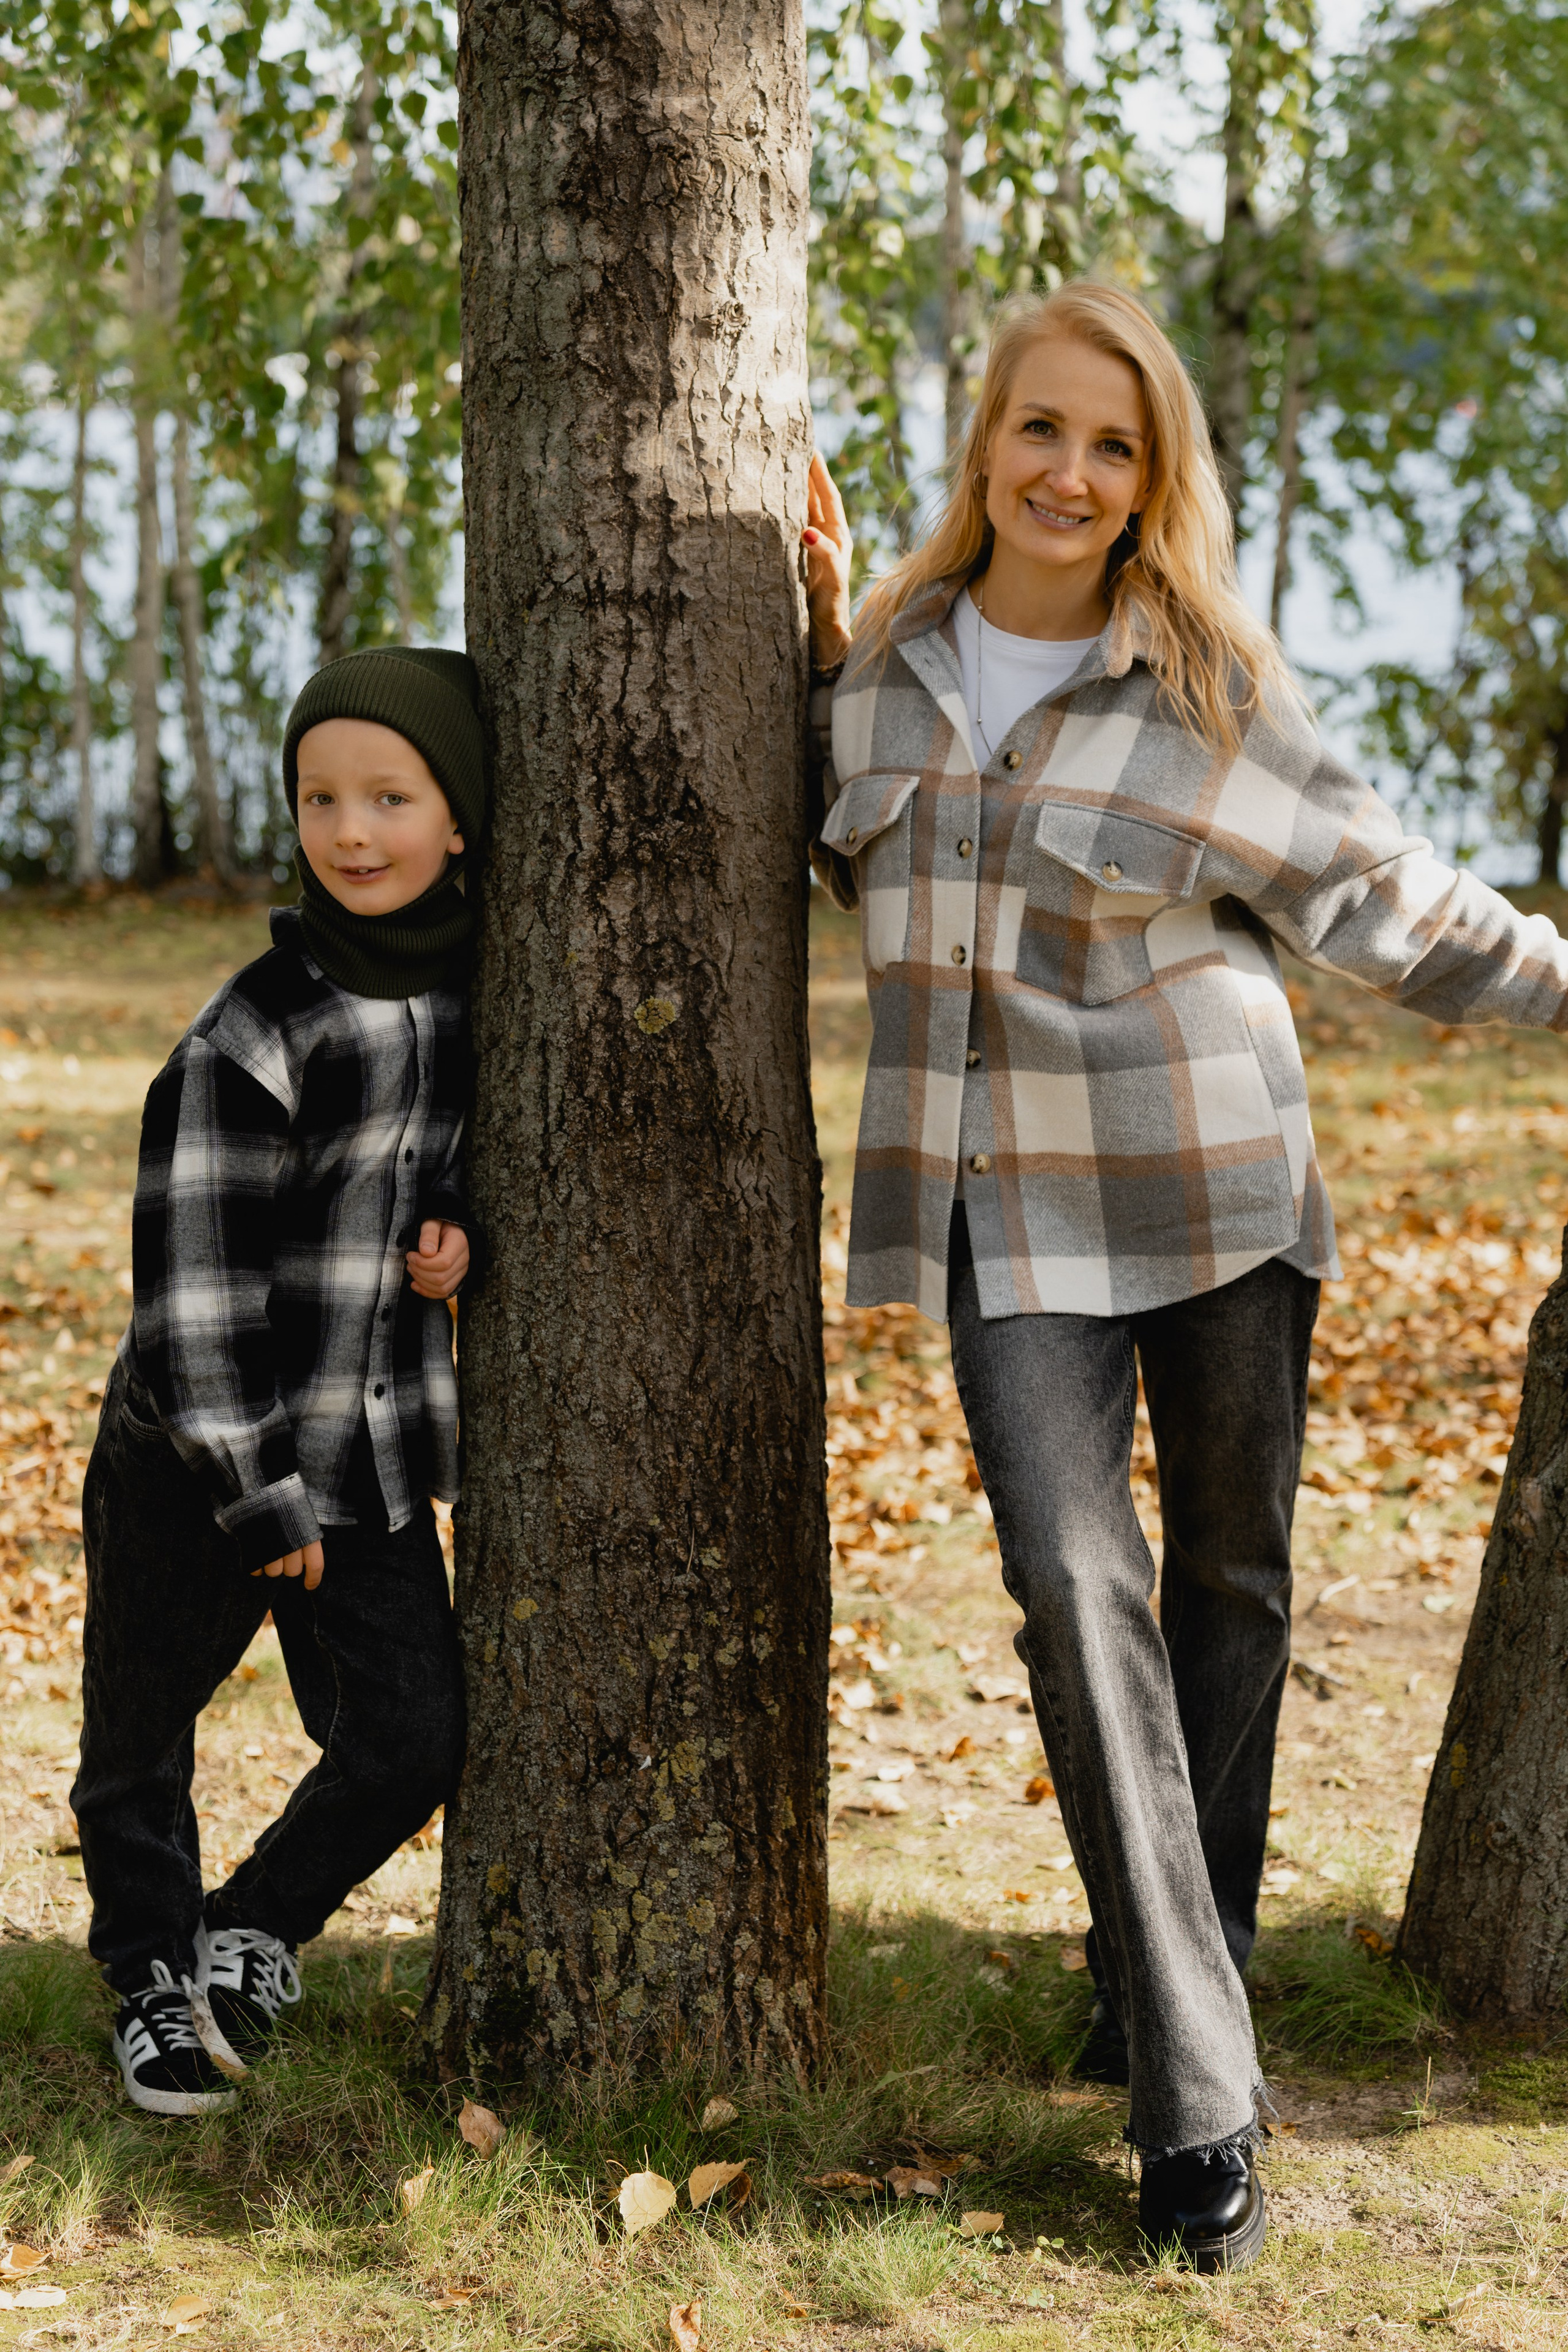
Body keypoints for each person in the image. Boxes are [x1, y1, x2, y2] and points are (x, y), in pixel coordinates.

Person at [800, 281, 1568, 2271]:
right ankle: (1200, 2100)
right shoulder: (873, 670)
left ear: (1154, 484)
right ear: (985, 444)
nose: (1068, 471)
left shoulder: (1208, 683)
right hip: (1003, 1215)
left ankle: (1166, 1972)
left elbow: (1393, 908)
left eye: (1112, 445)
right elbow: (835, 851)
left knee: (1231, 1595)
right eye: (1039, 430)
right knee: (1078, 1589)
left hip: (1222, 1188)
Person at [72, 648, 487, 2116]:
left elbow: (452, 1171)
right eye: (321, 797)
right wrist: (256, 1493)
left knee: (413, 1732)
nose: (351, 831)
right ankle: (146, 1979)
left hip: (363, 1448)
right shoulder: (253, 1032)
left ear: (463, 819)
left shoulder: (476, 992)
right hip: (201, 1461)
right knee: (139, 1734)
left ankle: (250, 1925)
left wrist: (455, 1239)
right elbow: (189, 1302)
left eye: (390, 796)